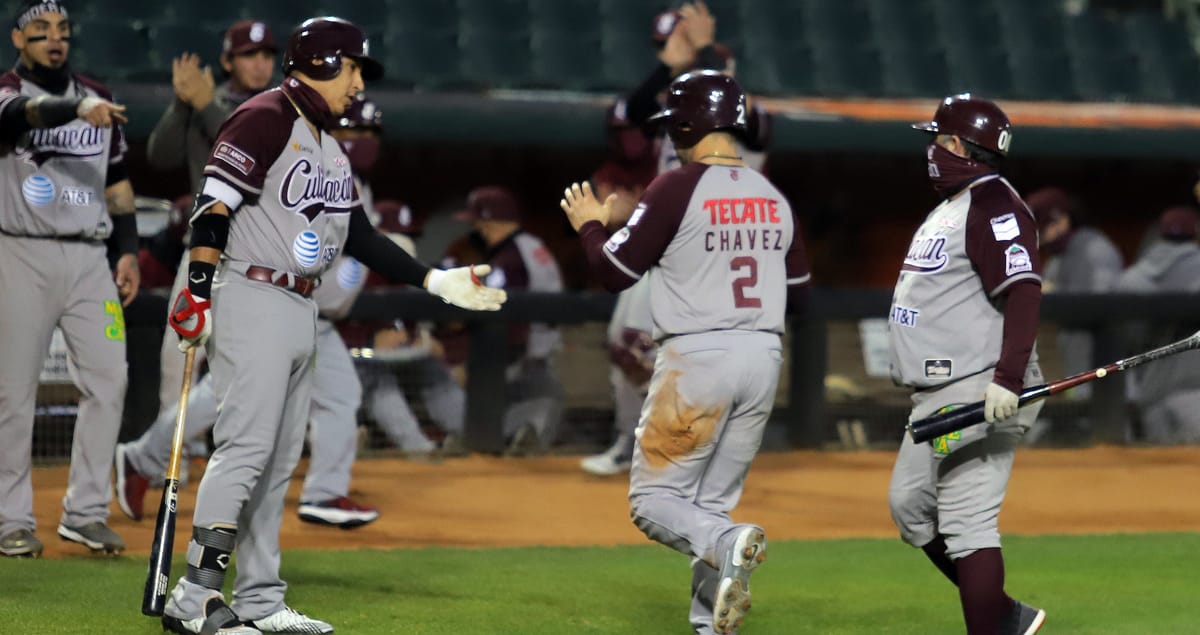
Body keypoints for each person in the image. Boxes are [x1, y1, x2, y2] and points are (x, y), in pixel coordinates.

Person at [159, 17, 504, 635]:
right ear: (321, 64)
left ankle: (261, 599)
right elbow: (213, 208)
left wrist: (432, 280)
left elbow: (363, 237)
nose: (358, 85)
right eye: (353, 69)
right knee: (244, 450)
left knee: (279, 460)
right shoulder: (264, 116)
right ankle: (194, 599)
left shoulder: (328, 145)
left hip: (300, 306)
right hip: (253, 293)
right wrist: (199, 291)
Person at [561, 71, 811, 635]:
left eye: (674, 122)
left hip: (700, 358)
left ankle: (727, 544)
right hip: (764, 355)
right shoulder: (773, 196)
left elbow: (612, 272)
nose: (670, 132)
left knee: (653, 502)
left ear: (690, 123)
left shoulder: (676, 186)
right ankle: (709, 623)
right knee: (710, 504)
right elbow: (803, 297)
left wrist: (591, 228)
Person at [887, 94, 1047, 635]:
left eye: (937, 138)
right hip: (939, 396)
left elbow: (1024, 290)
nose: (931, 148)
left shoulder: (994, 203)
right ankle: (1003, 616)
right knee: (910, 508)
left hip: (980, 387)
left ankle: (992, 625)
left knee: (965, 522)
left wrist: (1006, 380)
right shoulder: (958, 203)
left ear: (958, 145)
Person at [0, 0, 139, 558]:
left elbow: (119, 180)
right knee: (13, 394)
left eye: (61, 31)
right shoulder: (8, 92)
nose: (54, 40)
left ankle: (84, 512)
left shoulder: (95, 95)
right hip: (19, 252)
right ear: (18, 38)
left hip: (89, 257)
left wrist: (127, 251)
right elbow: (21, 118)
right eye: (40, 32)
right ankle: (10, 518)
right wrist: (81, 107)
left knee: (111, 379)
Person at [425, 186, 566, 454]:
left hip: (521, 357)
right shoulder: (532, 246)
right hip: (540, 353)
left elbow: (506, 320)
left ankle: (470, 437)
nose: (477, 229)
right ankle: (525, 432)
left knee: (469, 398)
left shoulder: (509, 259)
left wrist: (479, 366)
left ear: (488, 222)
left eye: (478, 222)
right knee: (547, 401)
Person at [147, 19, 277, 194]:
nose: (260, 66)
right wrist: (181, 105)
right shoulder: (203, 98)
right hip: (208, 217)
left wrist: (208, 107)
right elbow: (161, 158)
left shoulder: (284, 103)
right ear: (226, 62)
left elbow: (253, 155)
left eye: (267, 56)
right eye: (250, 55)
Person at [581, 161, 653, 476]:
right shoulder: (631, 230)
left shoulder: (657, 215)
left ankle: (659, 443)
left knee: (633, 349)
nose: (602, 202)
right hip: (645, 263)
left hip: (662, 267)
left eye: (607, 194)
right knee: (622, 346)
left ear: (633, 192)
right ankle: (635, 443)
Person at [1027, 187, 1122, 410]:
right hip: (1072, 368)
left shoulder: (1097, 250)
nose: (1040, 239)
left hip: (1103, 370)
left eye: (1043, 228)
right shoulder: (1057, 261)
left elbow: (1105, 306)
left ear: (1061, 219)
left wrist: (1056, 294)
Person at [1114, 206, 1200, 444]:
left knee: (1157, 474)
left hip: (1149, 396)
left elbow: (1123, 342)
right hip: (1195, 391)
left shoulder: (1131, 280)